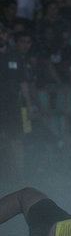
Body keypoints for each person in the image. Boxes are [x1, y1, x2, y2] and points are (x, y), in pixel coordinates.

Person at [0, 23, 35, 179]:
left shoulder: (14, 56)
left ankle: (19, 176)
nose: (1, 35)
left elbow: (23, 83)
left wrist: (28, 106)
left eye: (2, 32)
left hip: (12, 105)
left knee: (17, 140)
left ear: (7, 36)